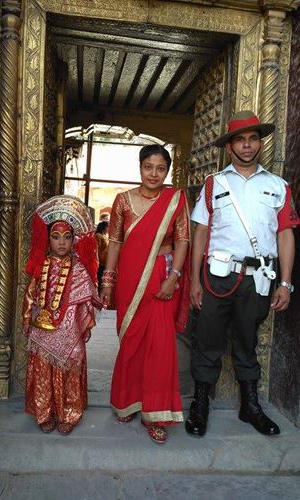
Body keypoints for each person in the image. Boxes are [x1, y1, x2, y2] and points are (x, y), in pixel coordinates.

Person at [187, 111, 300, 438]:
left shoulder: (278, 186)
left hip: (259, 278)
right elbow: (201, 233)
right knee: (207, 340)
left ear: (259, 143)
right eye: (240, 139)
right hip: (217, 276)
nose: (247, 145)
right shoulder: (214, 184)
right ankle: (200, 406)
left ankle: (250, 407)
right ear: (230, 146)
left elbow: (286, 234)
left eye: (253, 139)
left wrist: (286, 282)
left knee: (247, 341)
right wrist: (194, 279)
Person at [100, 144, 191, 444]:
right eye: (148, 167)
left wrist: (174, 278)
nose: (154, 173)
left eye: (160, 168)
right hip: (130, 278)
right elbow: (114, 243)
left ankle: (156, 412)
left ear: (168, 171)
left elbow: (182, 242)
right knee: (132, 341)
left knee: (161, 346)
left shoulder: (175, 199)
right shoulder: (123, 201)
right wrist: (108, 281)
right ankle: (127, 401)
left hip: (163, 277)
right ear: (140, 168)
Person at [22, 195, 102, 435]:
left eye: (67, 237)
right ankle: (44, 413)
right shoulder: (41, 263)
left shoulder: (78, 267)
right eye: (56, 237)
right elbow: (30, 292)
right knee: (43, 367)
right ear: (47, 238)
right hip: (42, 327)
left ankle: (68, 413)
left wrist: (82, 315)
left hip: (69, 328)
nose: (61, 243)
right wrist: (27, 318)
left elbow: (88, 296)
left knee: (69, 364)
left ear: (74, 240)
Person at [95, 220, 109, 291]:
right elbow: (96, 249)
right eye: (108, 228)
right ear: (106, 227)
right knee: (99, 280)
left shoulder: (104, 236)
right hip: (100, 262)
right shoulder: (98, 236)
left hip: (104, 262)